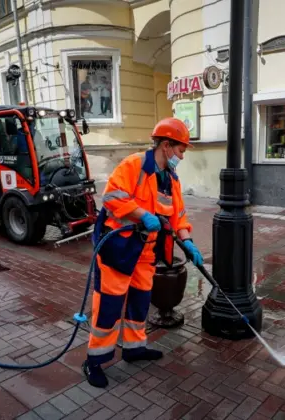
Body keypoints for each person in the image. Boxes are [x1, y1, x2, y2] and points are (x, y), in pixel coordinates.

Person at [83, 117, 203, 388]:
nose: (182, 157)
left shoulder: (170, 179)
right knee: (109, 307)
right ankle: (94, 360)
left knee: (139, 301)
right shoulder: (134, 165)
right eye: (180, 150)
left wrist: (189, 241)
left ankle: (134, 348)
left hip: (145, 252)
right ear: (165, 145)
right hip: (119, 248)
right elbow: (111, 198)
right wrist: (142, 214)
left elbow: (178, 216)